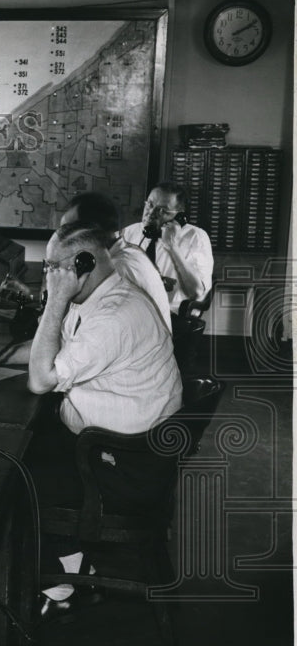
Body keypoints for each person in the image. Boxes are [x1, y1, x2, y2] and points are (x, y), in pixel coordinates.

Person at [26, 222, 182, 619]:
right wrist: (60, 299)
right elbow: (59, 349)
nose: (49, 276)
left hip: (129, 469)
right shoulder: (111, 296)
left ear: (84, 263)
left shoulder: (113, 317)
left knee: (13, 476)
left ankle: (62, 582)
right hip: (134, 448)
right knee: (31, 440)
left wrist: (55, 299)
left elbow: (40, 378)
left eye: (54, 268)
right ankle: (73, 565)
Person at [60, 191, 171, 332]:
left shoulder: (116, 270)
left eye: (68, 232)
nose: (61, 241)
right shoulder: (129, 253)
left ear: (94, 233)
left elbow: (78, 334)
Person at [121, 182, 214, 316]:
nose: (151, 213)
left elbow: (196, 293)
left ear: (178, 216)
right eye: (150, 205)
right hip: (133, 312)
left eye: (162, 210)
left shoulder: (196, 237)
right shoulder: (129, 233)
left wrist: (172, 246)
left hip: (170, 315)